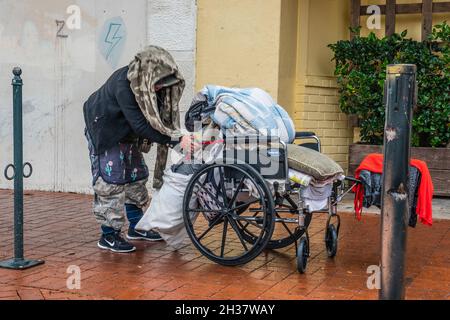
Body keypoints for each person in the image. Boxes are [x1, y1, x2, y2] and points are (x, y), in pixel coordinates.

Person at [83, 47, 192, 253]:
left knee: (136, 176)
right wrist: (174, 141)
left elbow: (148, 123)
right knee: (111, 181)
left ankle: (136, 226)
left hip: (126, 132)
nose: (160, 88)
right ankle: (109, 235)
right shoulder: (123, 85)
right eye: (158, 83)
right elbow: (140, 125)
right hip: (105, 130)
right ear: (148, 75)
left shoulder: (147, 86)